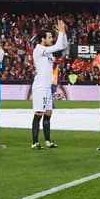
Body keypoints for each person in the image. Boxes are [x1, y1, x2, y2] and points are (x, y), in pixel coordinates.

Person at [31, 20, 68, 150]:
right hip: (40, 87)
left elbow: (62, 45)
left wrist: (63, 33)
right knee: (39, 113)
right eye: (50, 37)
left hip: (47, 87)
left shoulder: (47, 52)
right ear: (42, 39)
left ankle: (47, 141)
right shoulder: (39, 49)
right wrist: (61, 33)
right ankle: (35, 142)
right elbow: (58, 46)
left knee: (48, 113)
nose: (52, 39)